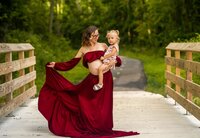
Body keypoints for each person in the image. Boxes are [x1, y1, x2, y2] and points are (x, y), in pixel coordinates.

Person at [38, 25, 139, 137]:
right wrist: (56, 65)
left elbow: (116, 58)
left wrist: (115, 62)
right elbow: (71, 63)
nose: (96, 37)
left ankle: (102, 127)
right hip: (91, 79)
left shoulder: (103, 45)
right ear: (88, 36)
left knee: (103, 105)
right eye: (94, 35)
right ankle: (90, 125)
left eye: (97, 35)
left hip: (105, 78)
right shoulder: (83, 49)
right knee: (83, 99)